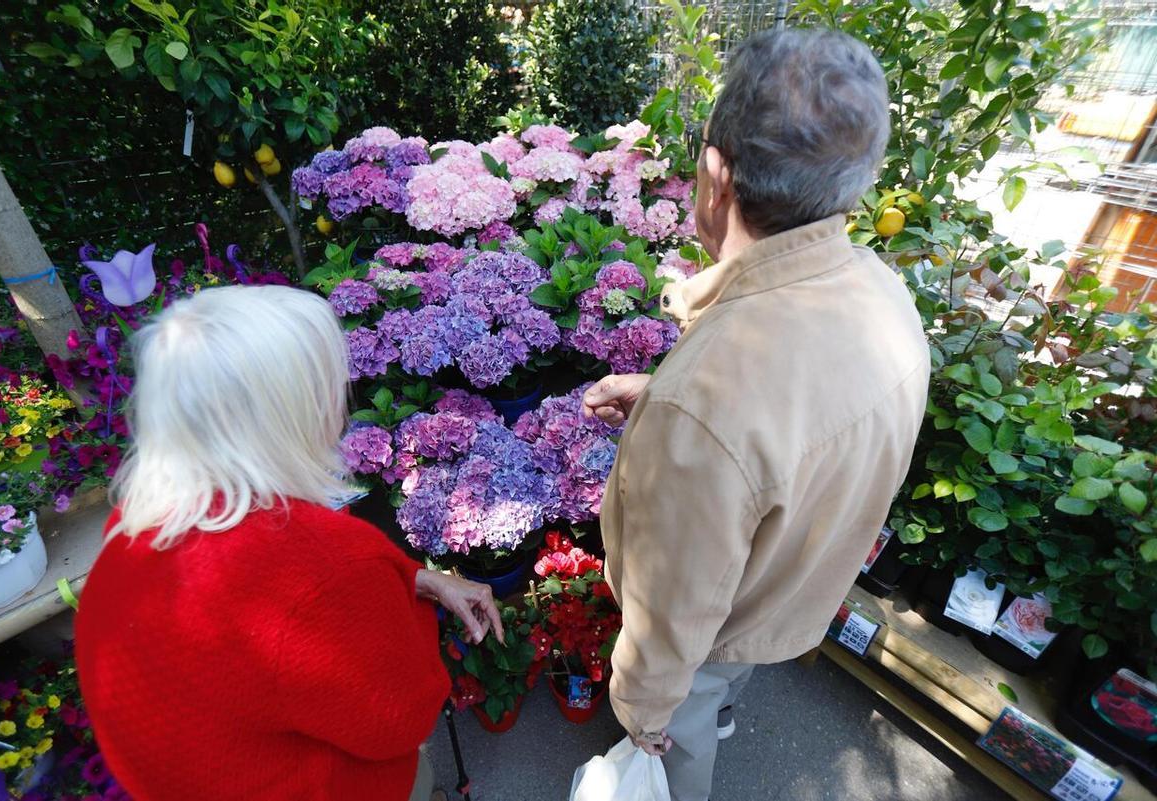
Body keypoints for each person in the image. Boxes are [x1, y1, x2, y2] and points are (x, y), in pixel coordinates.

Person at [582, 28, 930, 801]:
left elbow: (674, 617)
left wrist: (641, 710)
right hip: (791, 584)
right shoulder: (882, 292)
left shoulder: (707, 406)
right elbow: (795, 436)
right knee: (728, 670)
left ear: (715, 175)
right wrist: (671, 411)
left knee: (680, 728)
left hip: (720, 624)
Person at [75, 285, 502, 801]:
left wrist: (409, 577)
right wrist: (394, 605)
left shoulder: (136, 525)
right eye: (328, 385)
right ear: (288, 414)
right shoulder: (322, 566)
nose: (343, 401)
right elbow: (402, 719)